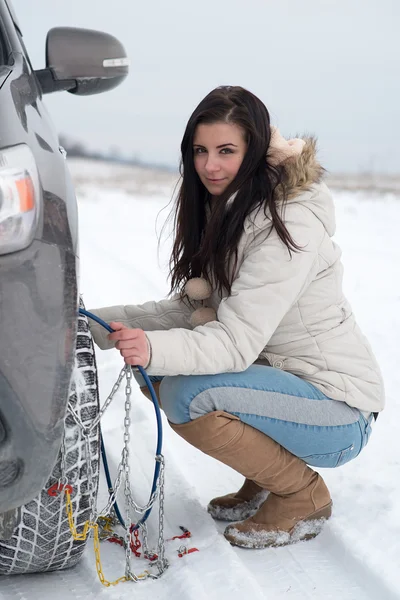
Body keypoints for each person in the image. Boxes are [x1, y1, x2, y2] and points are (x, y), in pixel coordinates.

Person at [89, 86, 384, 549]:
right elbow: (190, 311)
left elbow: (234, 341)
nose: (210, 165)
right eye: (201, 151)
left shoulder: (288, 223)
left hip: (335, 408)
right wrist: (94, 325)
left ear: (254, 152)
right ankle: (266, 474)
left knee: (187, 391)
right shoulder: (232, 209)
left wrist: (152, 348)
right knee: (163, 376)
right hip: (287, 385)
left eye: (227, 151)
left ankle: (301, 494)